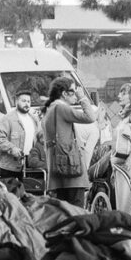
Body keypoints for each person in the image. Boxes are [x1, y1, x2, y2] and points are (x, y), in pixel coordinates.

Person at [41, 77, 95, 207]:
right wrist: (82, 97)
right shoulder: (61, 108)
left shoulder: (50, 110)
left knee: (64, 213)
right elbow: (90, 117)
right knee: (77, 212)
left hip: (59, 172)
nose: (76, 94)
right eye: (73, 91)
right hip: (71, 173)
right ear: (64, 94)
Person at [0, 90, 37, 181]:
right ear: (16, 101)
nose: (27, 104)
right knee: (10, 194)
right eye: (23, 101)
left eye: (29, 101)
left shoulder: (33, 119)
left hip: (29, 165)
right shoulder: (7, 119)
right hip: (9, 166)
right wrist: (12, 148)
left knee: (27, 193)